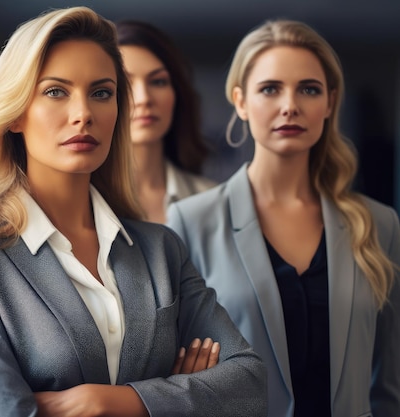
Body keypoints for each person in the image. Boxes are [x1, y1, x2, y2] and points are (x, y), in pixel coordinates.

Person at [0, 6, 266, 417]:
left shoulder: (161, 249)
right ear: (15, 113)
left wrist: (118, 402)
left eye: (101, 92)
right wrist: (179, 393)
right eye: (55, 91)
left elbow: (249, 385)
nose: (83, 113)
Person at [167, 19, 400, 417]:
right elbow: (174, 376)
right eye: (270, 88)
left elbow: (389, 386)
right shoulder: (191, 221)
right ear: (240, 101)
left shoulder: (379, 223)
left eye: (308, 89)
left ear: (330, 101)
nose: (290, 105)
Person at [115, 20, 216, 223]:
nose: (144, 98)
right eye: (125, 83)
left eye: (158, 81)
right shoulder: (77, 200)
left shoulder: (214, 200)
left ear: (176, 94)